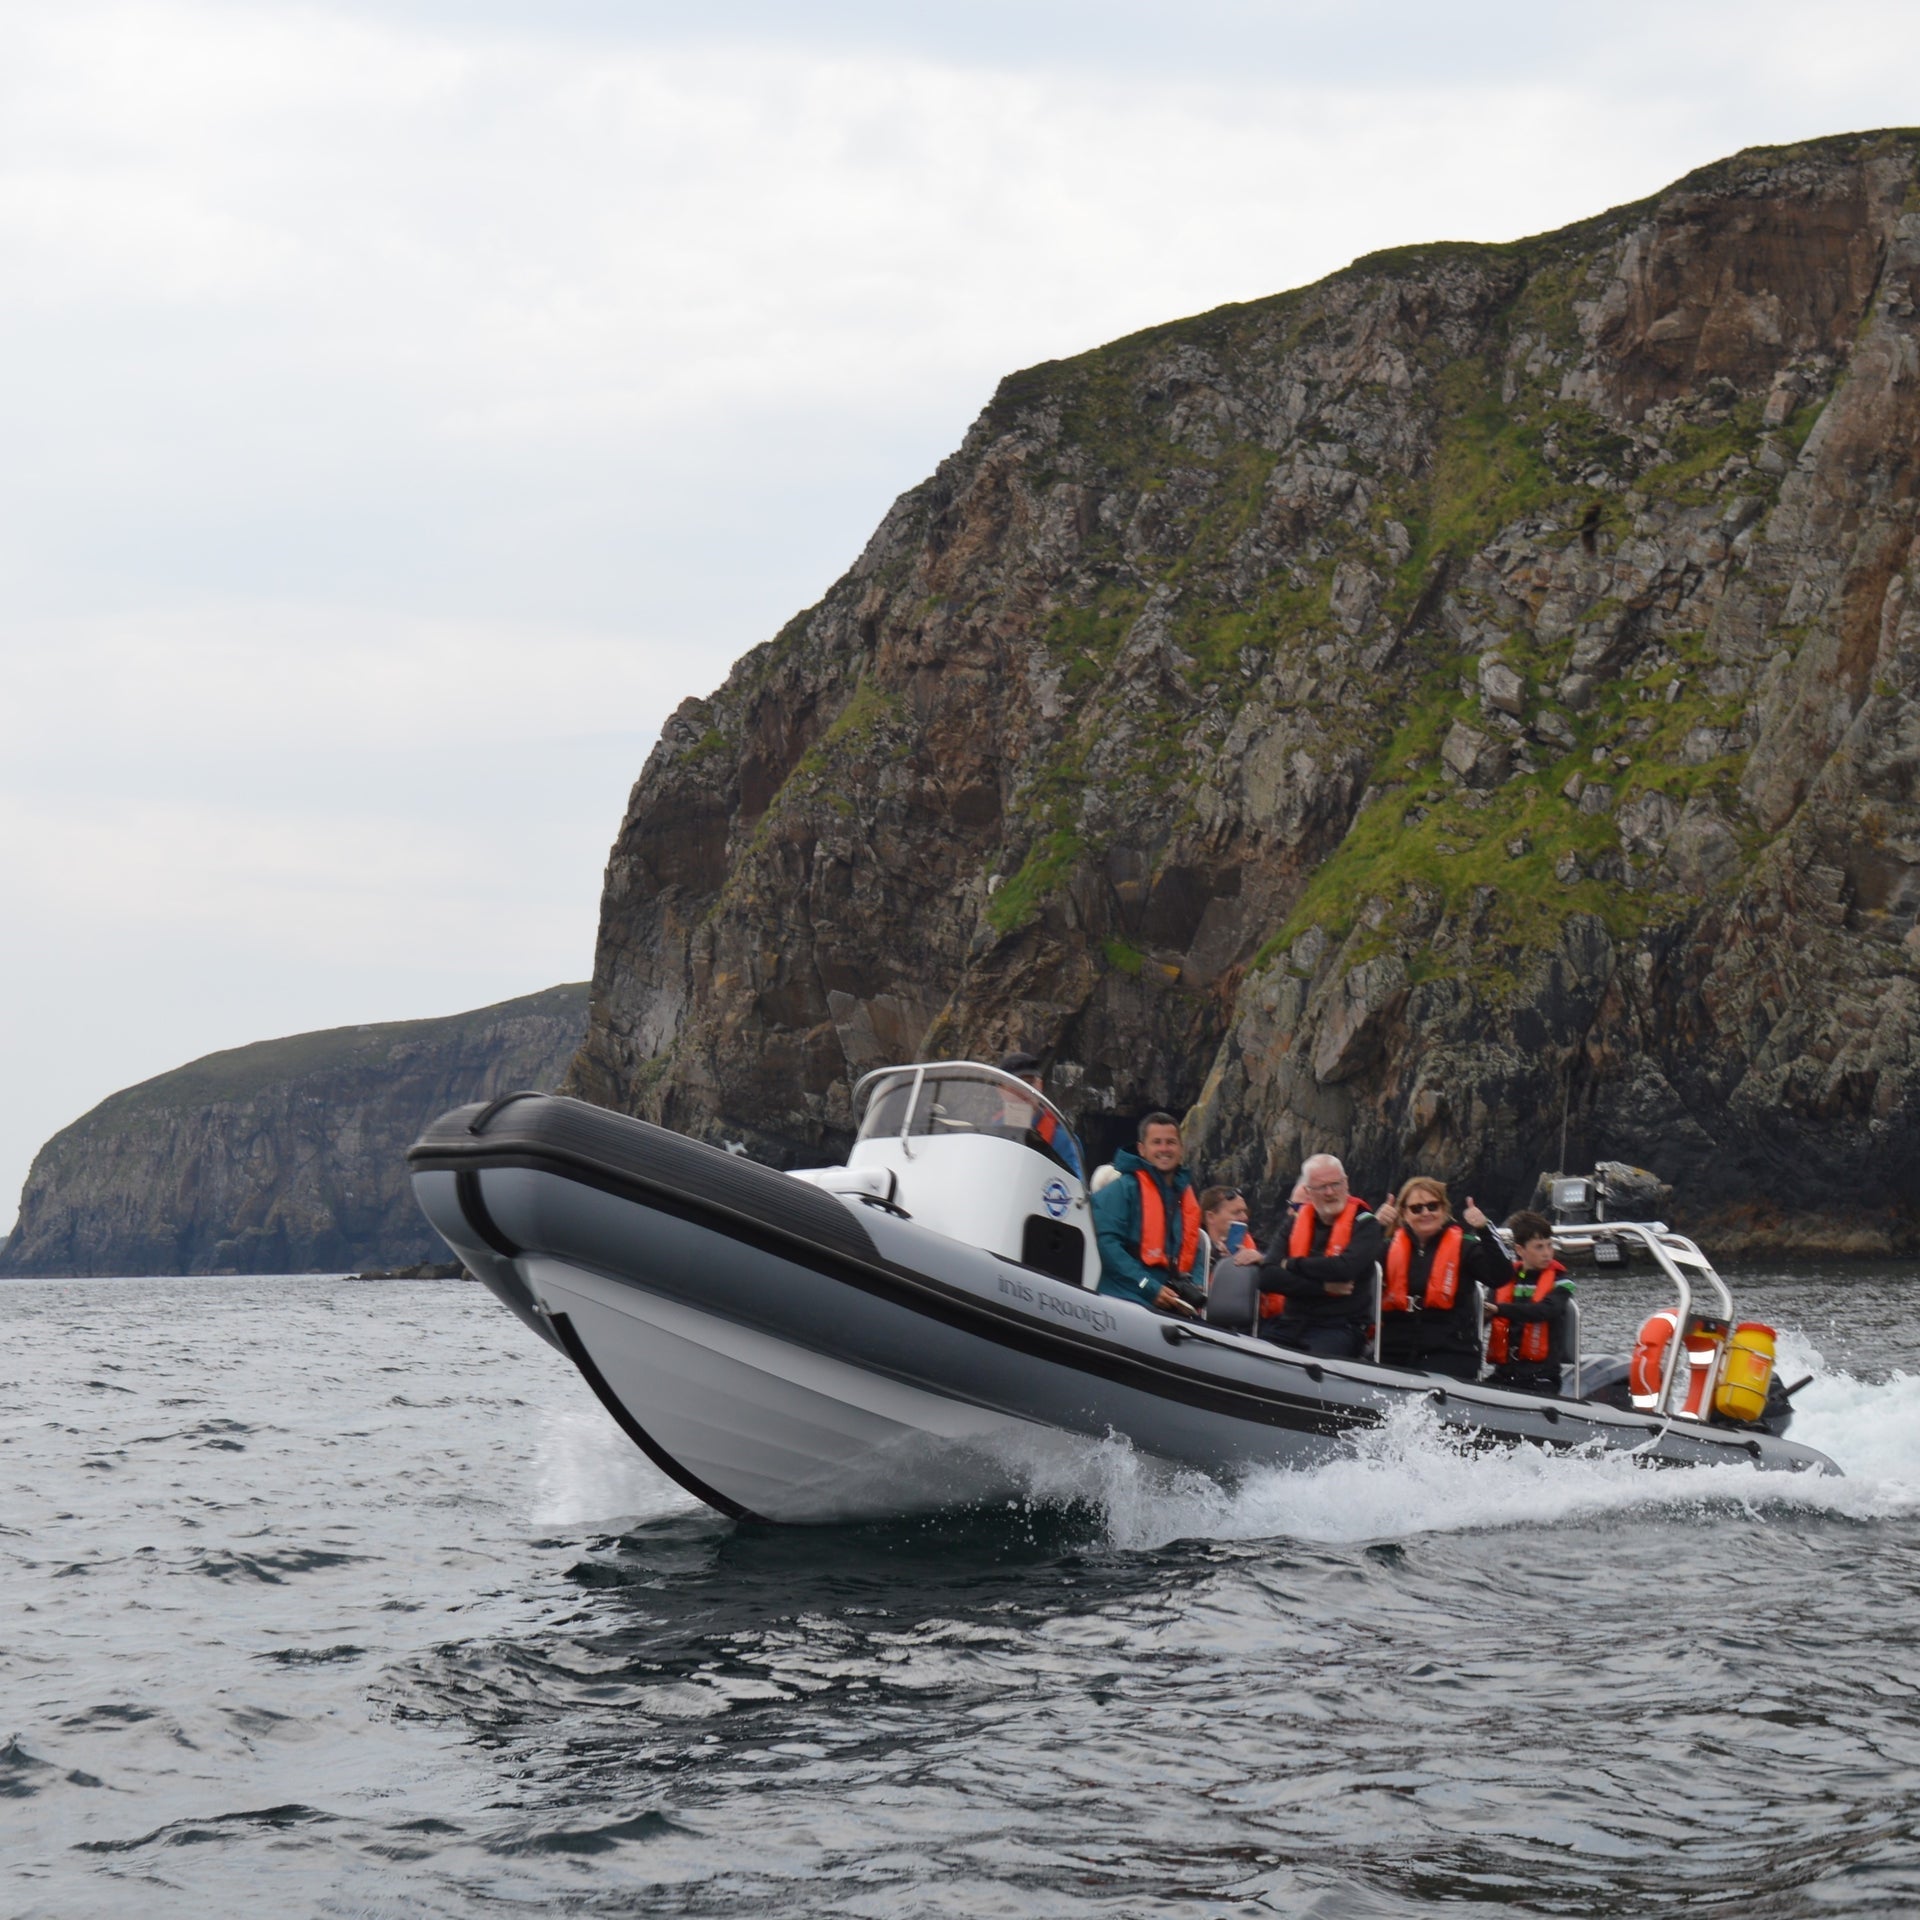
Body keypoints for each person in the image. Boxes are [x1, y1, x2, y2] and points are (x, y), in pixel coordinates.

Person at [1375, 1177, 1511, 1380]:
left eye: (1432, 1206)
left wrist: (1484, 1229)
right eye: (1416, 1208)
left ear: (1444, 1210)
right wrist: (1375, 1226)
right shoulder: (1387, 1248)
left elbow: (1500, 1275)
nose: (1426, 1213)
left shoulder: (1465, 1247)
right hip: (1395, 1346)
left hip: (1450, 1348)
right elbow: (1354, 1265)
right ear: (1404, 1213)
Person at [1255, 1154, 1382, 1359]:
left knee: (1311, 1368)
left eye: (1335, 1184)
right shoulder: (1293, 1224)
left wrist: (1291, 1264)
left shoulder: (1366, 1224)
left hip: (1340, 1327)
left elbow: (1344, 1269)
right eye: (1322, 1187)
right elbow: (1268, 1277)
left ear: (1346, 1183)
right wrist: (1323, 1287)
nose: (1330, 1192)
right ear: (1308, 1192)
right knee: (1259, 1359)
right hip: (1291, 1322)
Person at [1092, 1111, 1204, 1317]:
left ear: (1181, 1148)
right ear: (1142, 1149)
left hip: (1170, 1304)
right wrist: (1148, 1287)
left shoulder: (1184, 1197)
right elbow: (1106, 1245)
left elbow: (1195, 1249)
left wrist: (1195, 1285)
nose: (1164, 1149)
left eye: (1170, 1142)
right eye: (1157, 1142)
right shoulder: (1121, 1190)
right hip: (1125, 1297)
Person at [1485, 1209, 1575, 1395]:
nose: (1547, 1254)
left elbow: (1545, 1311)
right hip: (1504, 1374)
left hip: (1541, 1377)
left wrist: (1499, 1310)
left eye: (1550, 1246)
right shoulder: (1503, 1280)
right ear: (1520, 1250)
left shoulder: (1562, 1282)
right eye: (1539, 1247)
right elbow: (1483, 1317)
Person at [994, 1050, 1084, 1177]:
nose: (1023, 1091)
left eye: (1029, 1083)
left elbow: (1074, 1188)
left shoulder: (1064, 1140)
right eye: (1014, 1084)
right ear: (1001, 1090)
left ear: (1040, 1086)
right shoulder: (989, 1133)